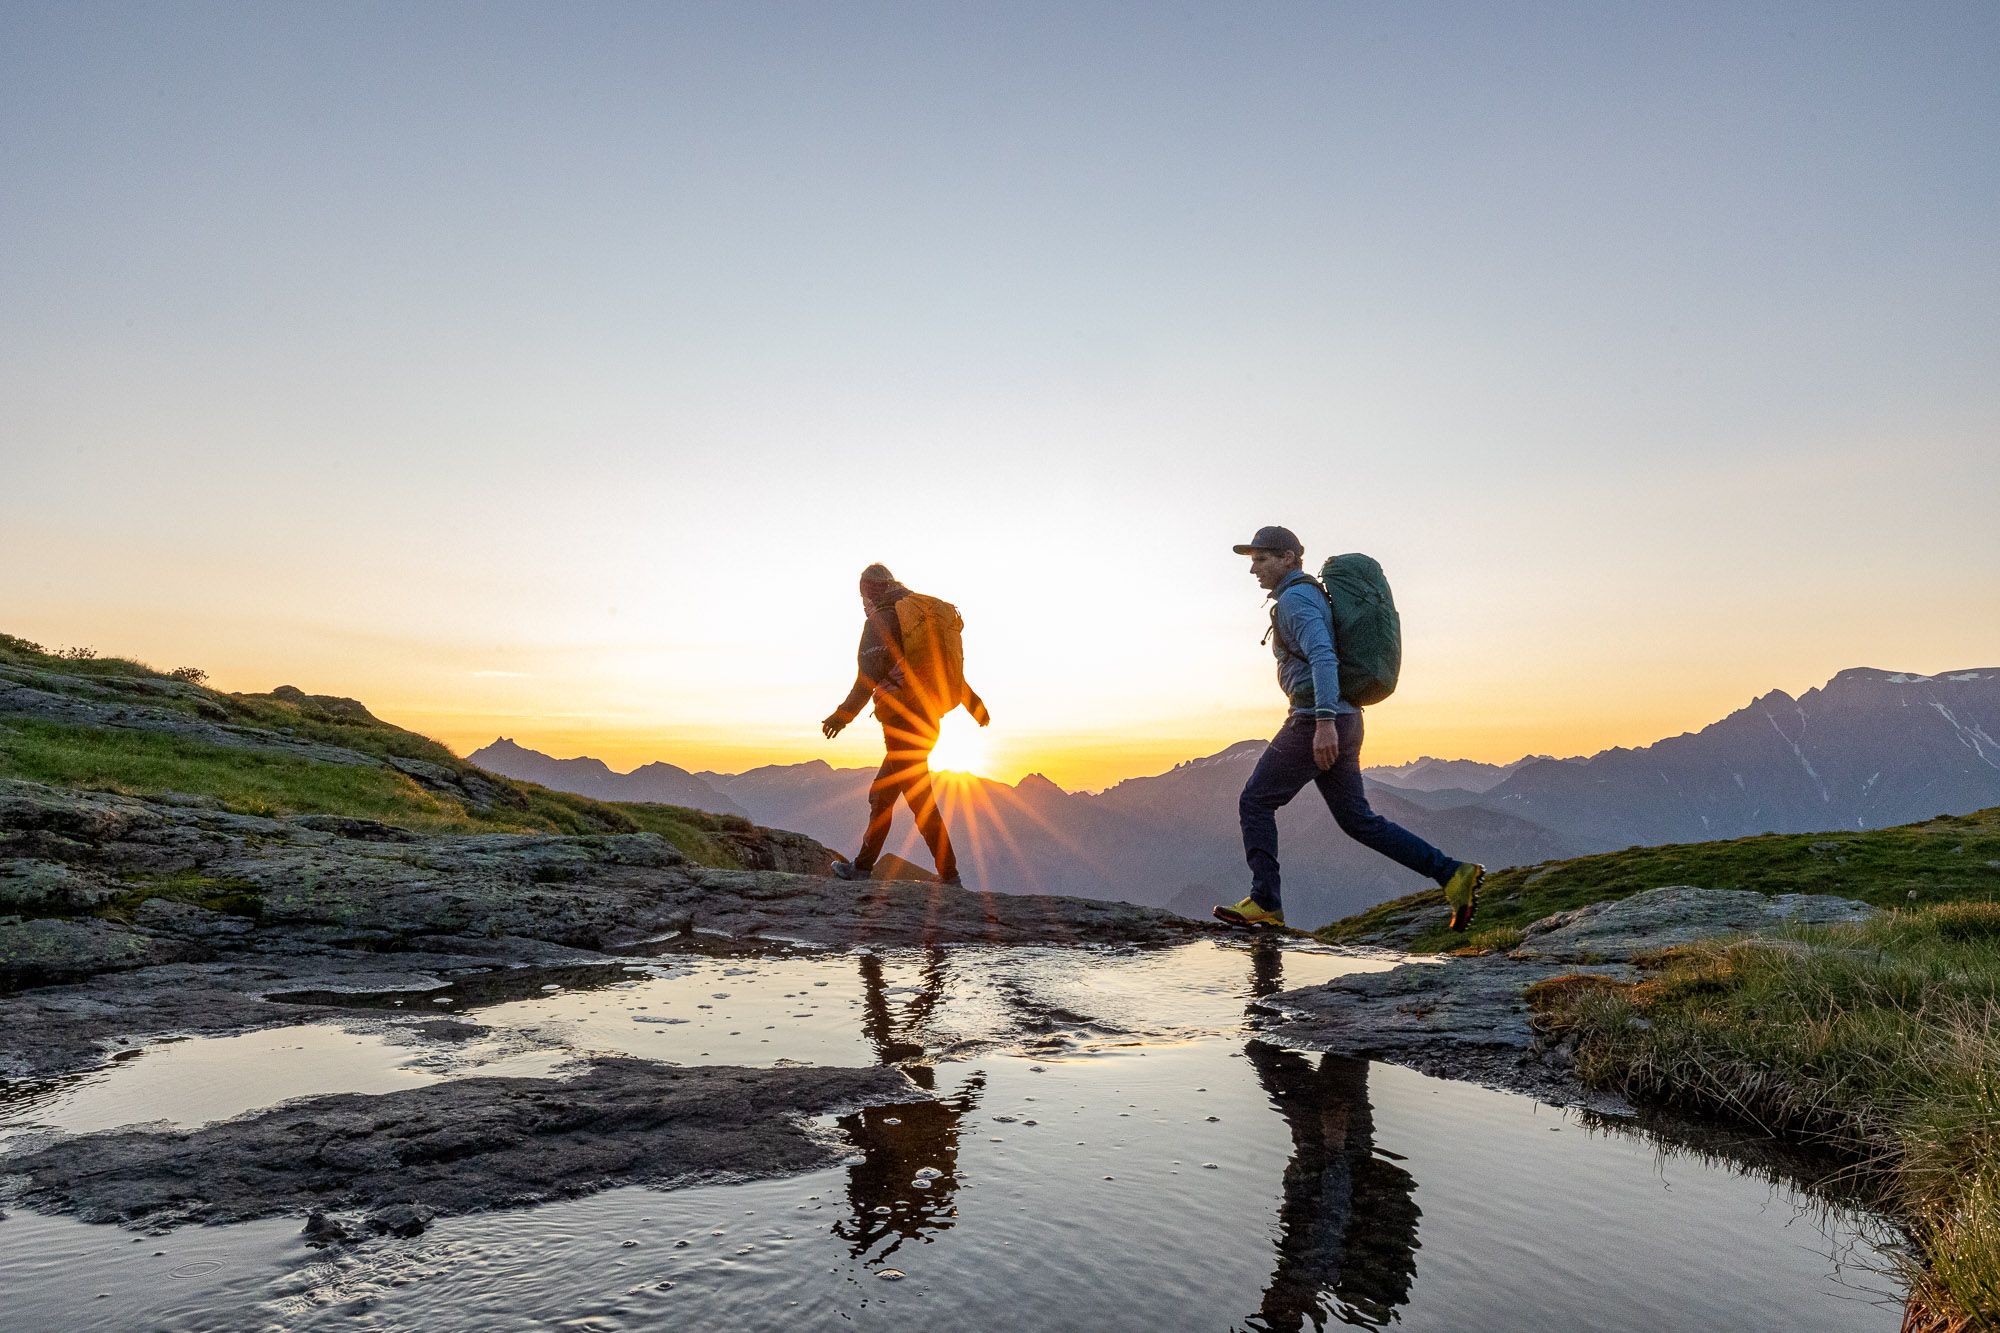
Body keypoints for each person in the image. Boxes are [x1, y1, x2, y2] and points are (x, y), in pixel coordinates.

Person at [1215, 526, 1484, 931]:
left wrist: (1323, 723)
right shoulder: (1307, 596)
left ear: (1289, 558)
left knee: (1255, 801)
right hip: (1346, 717)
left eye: (1261, 559)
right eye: (1252, 560)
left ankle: (1265, 902)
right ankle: (1452, 873)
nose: (1253, 568)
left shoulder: (1297, 600)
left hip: (1316, 721)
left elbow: (1323, 657)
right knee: (1358, 820)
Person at [821, 563, 990, 886]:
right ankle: (945, 875)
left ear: (870, 591)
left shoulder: (883, 620)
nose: (863, 601)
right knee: (898, 796)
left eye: (864, 594)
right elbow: (946, 670)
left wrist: (842, 716)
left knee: (896, 796)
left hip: (903, 723)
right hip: (928, 722)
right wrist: (975, 706)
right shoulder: (919, 617)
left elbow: (866, 678)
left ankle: (864, 869)